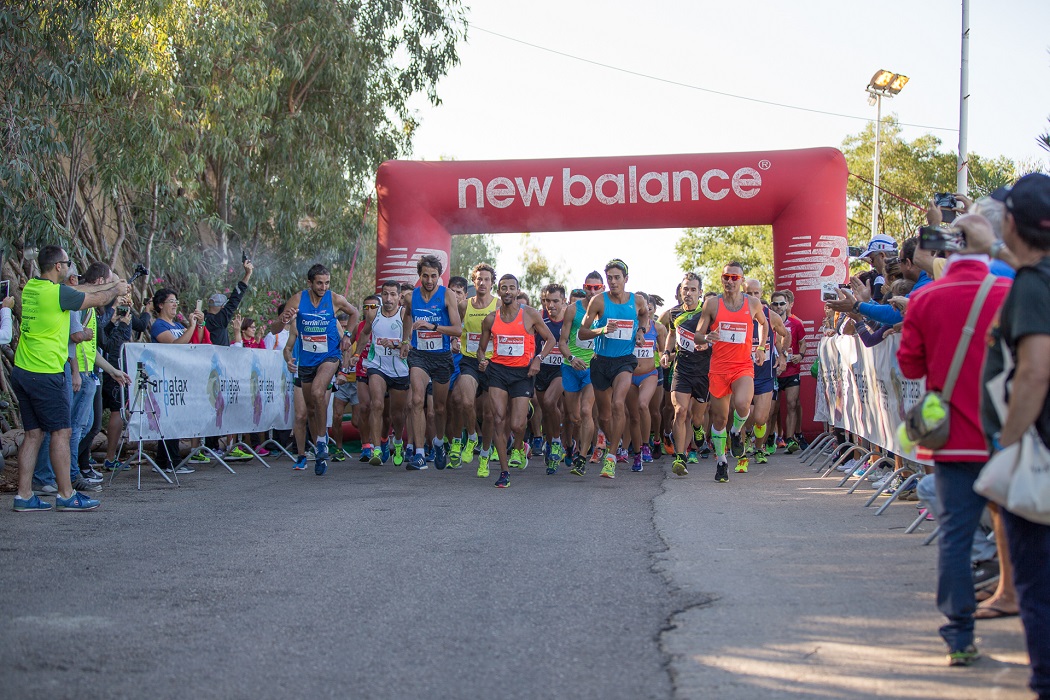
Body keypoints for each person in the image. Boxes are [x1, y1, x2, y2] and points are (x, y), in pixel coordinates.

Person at [896, 210, 1011, 668]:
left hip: (952, 440)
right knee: (1023, 532)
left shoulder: (926, 299)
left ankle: (959, 636)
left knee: (957, 537)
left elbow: (910, 368)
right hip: (1009, 433)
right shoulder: (1010, 290)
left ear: (944, 247)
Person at [974, 172, 1050, 696]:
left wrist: (1010, 440)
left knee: (1037, 586)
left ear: (1012, 223)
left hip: (1039, 453)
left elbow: (1035, 370)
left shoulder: (1031, 285)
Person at [12, 245, 129, 512]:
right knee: (62, 433)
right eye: (67, 263)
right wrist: (114, 291)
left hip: (23, 370)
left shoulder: (33, 287)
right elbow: (94, 300)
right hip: (45, 372)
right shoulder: (57, 295)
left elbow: (79, 291)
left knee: (32, 435)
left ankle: (24, 495)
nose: (69, 267)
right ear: (58, 267)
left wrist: (107, 287)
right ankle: (66, 495)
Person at [476, 274, 556, 487]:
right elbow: (481, 350)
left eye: (512, 288)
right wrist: (482, 361)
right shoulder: (491, 319)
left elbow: (551, 339)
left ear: (517, 291)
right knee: (499, 419)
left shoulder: (529, 314)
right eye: (504, 288)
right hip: (498, 372)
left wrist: (538, 359)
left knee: (517, 424)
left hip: (523, 373)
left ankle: (520, 446)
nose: (508, 291)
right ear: (499, 291)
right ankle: (504, 472)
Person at [691, 262, 768, 483]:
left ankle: (736, 431)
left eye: (735, 278)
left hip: (742, 365)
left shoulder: (752, 303)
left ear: (742, 281)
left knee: (744, 404)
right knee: (719, 418)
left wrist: (761, 347)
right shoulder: (712, 304)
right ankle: (722, 461)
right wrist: (707, 337)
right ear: (722, 278)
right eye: (726, 277)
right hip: (719, 368)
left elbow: (763, 325)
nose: (730, 281)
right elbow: (698, 334)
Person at [282, 264, 359, 475]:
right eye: (319, 283)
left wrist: (347, 336)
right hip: (307, 361)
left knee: (318, 392)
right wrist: (283, 319)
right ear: (310, 283)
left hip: (330, 356)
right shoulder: (298, 299)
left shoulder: (334, 299)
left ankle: (322, 442)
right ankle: (318, 447)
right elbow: (276, 328)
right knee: (311, 408)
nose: (323, 287)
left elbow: (354, 313)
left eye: (327, 282)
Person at [577, 259, 650, 479]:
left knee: (619, 403)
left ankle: (610, 458)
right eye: (609, 277)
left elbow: (645, 314)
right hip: (601, 362)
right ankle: (613, 442)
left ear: (626, 279)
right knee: (605, 417)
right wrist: (602, 330)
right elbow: (582, 333)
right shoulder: (599, 301)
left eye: (617, 277)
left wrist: (641, 332)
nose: (613, 281)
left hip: (624, 361)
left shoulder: (636, 301)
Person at [399, 254, 462, 470]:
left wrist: (433, 327)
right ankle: (418, 454)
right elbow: (407, 316)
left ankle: (438, 443)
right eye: (425, 276)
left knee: (439, 409)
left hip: (442, 357)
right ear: (419, 275)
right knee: (417, 400)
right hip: (419, 356)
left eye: (433, 276)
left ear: (439, 276)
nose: (429, 280)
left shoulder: (448, 296)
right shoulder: (411, 297)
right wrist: (406, 340)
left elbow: (458, 329)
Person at [151, 287, 209, 474]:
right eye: (171, 301)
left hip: (178, 378)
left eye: (176, 301)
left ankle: (162, 461)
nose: (175, 304)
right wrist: (191, 327)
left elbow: (194, 341)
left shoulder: (176, 325)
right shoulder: (159, 325)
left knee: (173, 419)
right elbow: (175, 345)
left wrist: (199, 324)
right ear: (160, 305)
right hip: (165, 377)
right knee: (169, 419)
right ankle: (172, 461)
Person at [450, 264, 498, 475]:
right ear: (474, 281)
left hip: (493, 363)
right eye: (479, 279)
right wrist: (453, 339)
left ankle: (485, 456)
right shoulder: (464, 306)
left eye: (486, 279)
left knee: (488, 415)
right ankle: (471, 438)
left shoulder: (498, 306)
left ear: (492, 283)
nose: (482, 283)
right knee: (466, 401)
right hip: (470, 359)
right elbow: (456, 328)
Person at [662, 273, 711, 476]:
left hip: (704, 372)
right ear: (680, 291)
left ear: (700, 292)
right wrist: (666, 352)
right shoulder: (673, 313)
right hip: (682, 369)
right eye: (685, 289)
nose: (688, 293)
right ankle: (680, 457)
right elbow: (672, 334)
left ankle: (698, 430)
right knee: (680, 411)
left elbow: (719, 335)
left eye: (693, 289)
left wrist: (708, 342)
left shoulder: (707, 313)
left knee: (696, 417)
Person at [357, 281, 410, 466]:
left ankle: (397, 442)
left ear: (399, 296)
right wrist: (355, 354)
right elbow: (364, 334)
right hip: (376, 365)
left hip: (399, 368)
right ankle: (377, 448)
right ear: (381, 295)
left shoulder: (405, 314)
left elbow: (410, 342)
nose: (388, 299)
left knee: (397, 414)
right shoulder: (374, 313)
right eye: (385, 294)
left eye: (393, 295)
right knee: (376, 404)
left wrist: (396, 344)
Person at [559, 274, 603, 476]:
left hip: (593, 368)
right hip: (571, 367)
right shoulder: (572, 310)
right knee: (574, 416)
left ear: (602, 288)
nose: (592, 291)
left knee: (586, 411)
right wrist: (570, 359)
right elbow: (562, 342)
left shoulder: (605, 310)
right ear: (584, 287)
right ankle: (576, 445)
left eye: (597, 287)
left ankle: (582, 458)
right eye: (589, 287)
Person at [744, 280, 789, 468]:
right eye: (750, 293)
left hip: (765, 374)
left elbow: (785, 334)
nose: (754, 297)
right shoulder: (739, 315)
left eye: (757, 293)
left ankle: (759, 448)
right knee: (745, 414)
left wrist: (782, 356)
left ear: (762, 294)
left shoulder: (771, 316)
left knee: (762, 418)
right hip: (743, 374)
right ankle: (746, 439)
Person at [626, 292, 666, 472]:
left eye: (647, 307)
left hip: (650, 373)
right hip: (628, 374)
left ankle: (646, 445)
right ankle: (636, 454)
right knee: (633, 416)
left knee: (644, 405)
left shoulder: (658, 328)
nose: (644, 309)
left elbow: (666, 351)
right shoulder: (628, 326)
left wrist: (666, 356)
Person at [537, 283, 568, 474]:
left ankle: (557, 441)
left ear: (564, 301)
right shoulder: (539, 318)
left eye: (555, 301)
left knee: (550, 402)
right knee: (547, 411)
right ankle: (551, 444)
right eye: (548, 301)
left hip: (562, 369)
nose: (551, 305)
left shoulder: (569, 320)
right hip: (541, 369)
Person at [772, 289, 808, 454]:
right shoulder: (767, 321)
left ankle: (790, 438)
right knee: (773, 408)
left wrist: (800, 355)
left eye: (782, 304)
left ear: (787, 305)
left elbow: (803, 343)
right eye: (775, 304)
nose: (779, 307)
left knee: (792, 404)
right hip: (773, 371)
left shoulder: (796, 323)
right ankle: (770, 439)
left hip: (792, 370)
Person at [204, 257, 254, 346]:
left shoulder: (202, 318)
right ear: (223, 307)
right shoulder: (218, 320)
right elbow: (234, 300)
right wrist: (248, 274)